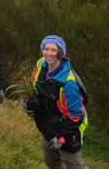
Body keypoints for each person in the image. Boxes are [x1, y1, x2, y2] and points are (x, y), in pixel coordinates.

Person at [24, 35, 88, 169]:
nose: (49, 53)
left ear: (61, 53)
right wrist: (28, 104)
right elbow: (34, 90)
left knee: (73, 165)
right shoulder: (41, 66)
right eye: (46, 49)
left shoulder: (68, 83)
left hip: (69, 129)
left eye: (54, 50)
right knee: (51, 162)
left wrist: (60, 137)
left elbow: (76, 116)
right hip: (48, 126)